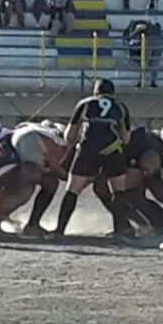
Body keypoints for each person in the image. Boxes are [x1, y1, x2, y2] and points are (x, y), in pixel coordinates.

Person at [51, 79, 136, 239]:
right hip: (113, 149)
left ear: (95, 92)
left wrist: (72, 145)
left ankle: (59, 231)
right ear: (113, 93)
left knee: (72, 189)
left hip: (88, 149)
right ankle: (121, 231)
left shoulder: (85, 103)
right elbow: (126, 138)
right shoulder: (121, 107)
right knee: (118, 191)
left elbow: (70, 133)